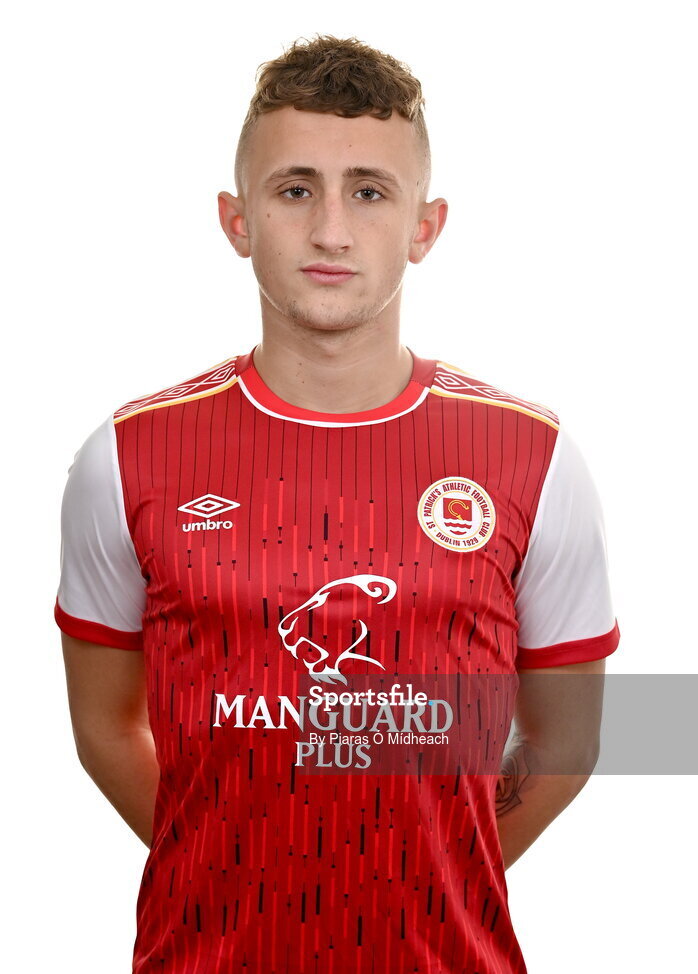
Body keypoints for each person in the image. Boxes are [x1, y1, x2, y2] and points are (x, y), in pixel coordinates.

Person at [55, 34, 620, 974]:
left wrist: (425, 870)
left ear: (425, 226)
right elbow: (104, 727)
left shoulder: (534, 457)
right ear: (238, 220)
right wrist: (233, 869)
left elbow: (569, 742)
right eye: (294, 190)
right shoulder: (126, 457)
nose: (330, 231)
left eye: (368, 190)